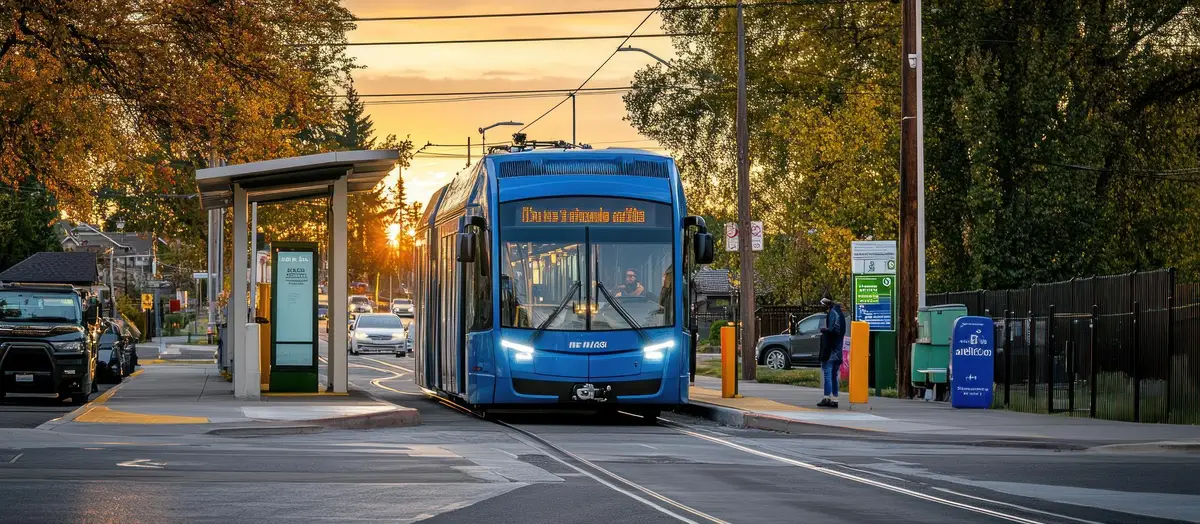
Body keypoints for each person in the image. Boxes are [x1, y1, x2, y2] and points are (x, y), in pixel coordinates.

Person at [817, 293, 846, 408]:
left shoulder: (833, 314)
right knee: (834, 375)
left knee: (828, 374)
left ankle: (826, 397)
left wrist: (825, 331)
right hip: (838, 350)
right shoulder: (840, 314)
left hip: (831, 349)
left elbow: (834, 330)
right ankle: (835, 398)